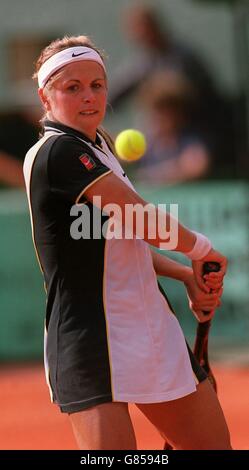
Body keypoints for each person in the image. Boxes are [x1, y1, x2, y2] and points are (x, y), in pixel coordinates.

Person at [23, 35, 231, 450]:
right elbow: (137, 218)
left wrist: (181, 275)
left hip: (152, 328)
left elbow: (116, 241)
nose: (88, 97)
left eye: (96, 85)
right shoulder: (58, 152)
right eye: (72, 87)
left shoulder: (98, 148)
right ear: (46, 98)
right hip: (89, 338)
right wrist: (201, 250)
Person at [133, 70, 211, 185]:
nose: (160, 118)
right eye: (157, 110)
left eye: (167, 112)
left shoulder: (189, 140)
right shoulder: (146, 142)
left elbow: (196, 166)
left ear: (180, 115)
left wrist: (151, 176)